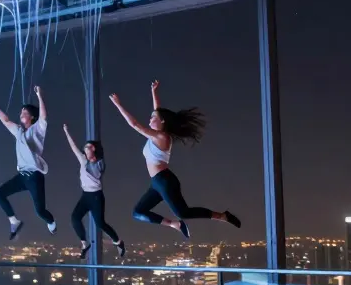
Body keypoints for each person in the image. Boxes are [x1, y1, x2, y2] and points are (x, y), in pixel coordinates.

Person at [109, 80, 241, 238]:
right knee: (138, 212)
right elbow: (158, 110)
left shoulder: (162, 137)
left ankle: (222, 216)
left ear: (162, 121)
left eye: (153, 118)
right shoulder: (155, 135)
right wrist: (154, 92)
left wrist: (118, 104)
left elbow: (135, 124)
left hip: (164, 181)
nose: (150, 119)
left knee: (183, 212)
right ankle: (174, 224)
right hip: (156, 184)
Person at [0, 86, 55, 240]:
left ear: (32, 117)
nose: (21, 114)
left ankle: (50, 221)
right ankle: (14, 221)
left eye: (25, 112)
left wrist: (39, 96)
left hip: (34, 177)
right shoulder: (19, 131)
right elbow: (5, 121)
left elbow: (43, 116)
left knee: (40, 211)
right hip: (22, 176)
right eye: (21, 112)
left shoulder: (38, 129)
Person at [62, 124, 124, 259]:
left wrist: (90, 159)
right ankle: (85, 243)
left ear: (93, 149)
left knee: (100, 223)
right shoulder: (83, 160)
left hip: (96, 196)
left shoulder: (99, 163)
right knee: (75, 218)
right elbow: (73, 148)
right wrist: (67, 131)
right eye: (84, 147)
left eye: (88, 147)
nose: (85, 149)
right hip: (85, 195)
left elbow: (95, 172)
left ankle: (118, 242)